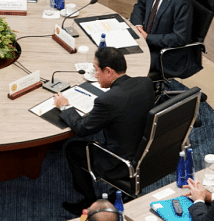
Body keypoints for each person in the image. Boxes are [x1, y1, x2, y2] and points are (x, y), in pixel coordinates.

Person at [53, 47, 154, 215]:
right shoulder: (146, 83)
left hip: (120, 162)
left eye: (96, 70)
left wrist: (65, 106)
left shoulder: (107, 100)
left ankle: (89, 201)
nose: (94, 74)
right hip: (146, 152)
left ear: (108, 71)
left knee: (72, 148)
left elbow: (82, 129)